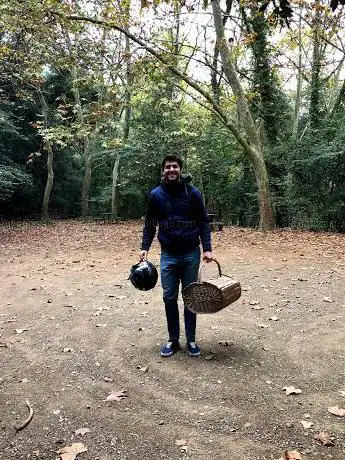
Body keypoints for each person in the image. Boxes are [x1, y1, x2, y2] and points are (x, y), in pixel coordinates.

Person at [139, 154, 213, 357]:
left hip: (191, 254)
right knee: (169, 297)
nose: (171, 170)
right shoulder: (156, 195)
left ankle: (191, 340)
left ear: (180, 169)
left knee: (190, 297)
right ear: (163, 171)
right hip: (168, 256)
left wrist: (207, 248)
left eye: (175, 166)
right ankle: (173, 340)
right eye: (167, 167)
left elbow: (203, 222)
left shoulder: (193, 193)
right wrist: (144, 247)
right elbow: (150, 223)